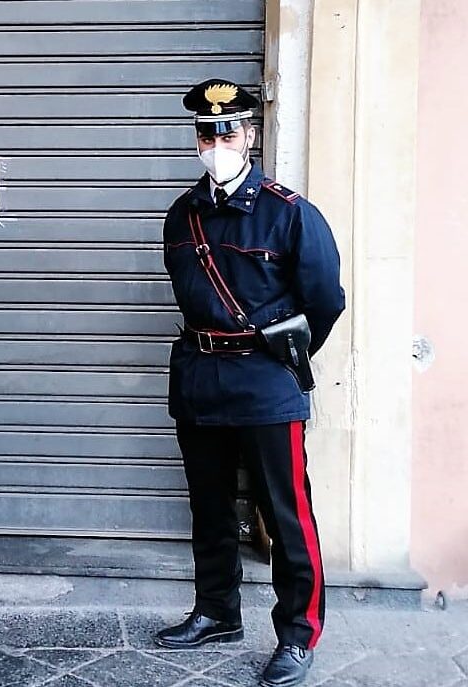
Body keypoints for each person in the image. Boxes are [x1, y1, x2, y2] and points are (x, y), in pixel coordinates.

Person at [153, 79, 345, 687]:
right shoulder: (182, 214)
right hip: (202, 378)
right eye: (206, 133)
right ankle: (216, 611)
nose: (217, 142)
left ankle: (298, 633)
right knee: (209, 509)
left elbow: (325, 301)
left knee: (285, 513)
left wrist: (283, 356)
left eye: (227, 130)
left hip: (265, 383)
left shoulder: (290, 213)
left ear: (251, 134)